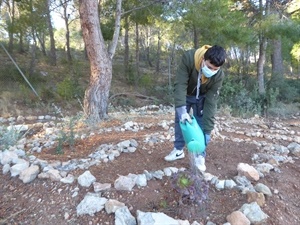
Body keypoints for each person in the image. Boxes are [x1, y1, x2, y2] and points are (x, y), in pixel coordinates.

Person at [164, 44, 226, 172]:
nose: (212, 71)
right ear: (203, 58)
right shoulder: (189, 58)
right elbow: (180, 84)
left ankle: (200, 156)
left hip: (202, 97)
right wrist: (182, 111)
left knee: (201, 122)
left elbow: (211, 102)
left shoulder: (218, 75)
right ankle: (178, 150)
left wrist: (208, 131)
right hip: (186, 94)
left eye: (215, 69)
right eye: (209, 67)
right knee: (181, 121)